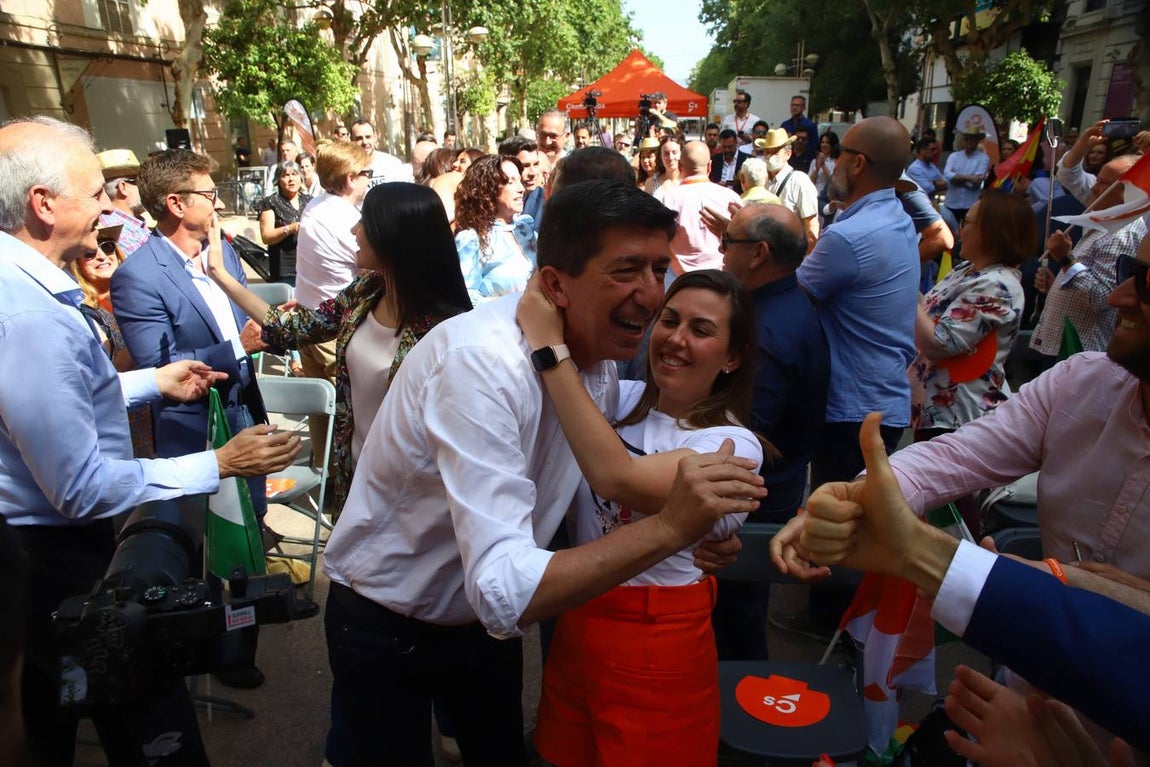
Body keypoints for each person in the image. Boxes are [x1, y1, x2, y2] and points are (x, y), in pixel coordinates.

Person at [319, 180, 766, 766]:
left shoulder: (594, 355)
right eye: (627, 269)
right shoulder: (481, 362)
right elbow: (505, 586)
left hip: (482, 628)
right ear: (555, 283)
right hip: (389, 618)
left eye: (660, 268)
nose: (651, 294)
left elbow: (580, 485)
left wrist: (710, 535)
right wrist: (671, 531)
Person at [0, 115, 300, 767]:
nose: (111, 207)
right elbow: (79, 488)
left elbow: (70, 394)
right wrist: (215, 462)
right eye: (96, 193)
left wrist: (146, 382)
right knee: (131, 732)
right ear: (44, 204)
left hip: (53, 552)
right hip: (55, 560)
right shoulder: (28, 319)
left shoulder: (29, 297)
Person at [774, 412, 1150, 754]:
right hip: (1017, 692)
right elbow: (955, 455)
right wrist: (858, 505)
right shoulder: (1086, 381)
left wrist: (1051, 582)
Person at [520, 269, 765, 766]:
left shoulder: (732, 445)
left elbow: (619, 478)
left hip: (657, 639)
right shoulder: (617, 398)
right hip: (580, 607)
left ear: (733, 357)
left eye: (700, 330)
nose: (675, 338)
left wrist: (548, 348)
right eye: (669, 320)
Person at [207, 183, 471, 513]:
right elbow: (293, 329)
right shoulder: (367, 290)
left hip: (412, 495)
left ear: (392, 235)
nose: (354, 230)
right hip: (356, 475)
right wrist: (220, 275)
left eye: (364, 222)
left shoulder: (445, 329)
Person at [112, 149, 273, 523]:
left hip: (246, 407)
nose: (218, 203)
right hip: (198, 429)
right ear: (176, 204)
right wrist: (239, 347)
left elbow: (245, 324)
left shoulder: (223, 253)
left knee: (253, 521)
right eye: (210, 194)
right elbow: (160, 367)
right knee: (209, 542)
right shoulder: (138, 276)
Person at [714, 203, 829, 660]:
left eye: (729, 242)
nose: (721, 251)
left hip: (756, 500)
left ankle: (738, 714)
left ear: (759, 253)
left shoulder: (768, 327)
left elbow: (745, 434)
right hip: (774, 489)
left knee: (734, 621)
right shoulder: (783, 304)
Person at [911, 189, 1033, 439]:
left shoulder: (997, 285)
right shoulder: (968, 270)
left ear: (992, 231)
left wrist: (904, 287)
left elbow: (940, 342)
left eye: (966, 222)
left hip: (959, 418)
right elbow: (930, 313)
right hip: (936, 409)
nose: (959, 230)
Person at [71, 225, 155, 456]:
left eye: (107, 247)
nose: (101, 256)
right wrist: (141, 334)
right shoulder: (86, 311)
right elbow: (108, 369)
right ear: (77, 263)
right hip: (122, 412)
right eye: (90, 253)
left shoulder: (139, 296)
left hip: (154, 406)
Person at [454, 154, 537, 303]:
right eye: (511, 182)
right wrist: (508, 306)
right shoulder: (472, 239)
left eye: (519, 180)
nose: (521, 189)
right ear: (488, 190)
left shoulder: (526, 228)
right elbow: (465, 296)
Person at [757, 129, 820, 249]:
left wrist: (805, 259)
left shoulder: (799, 181)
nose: (770, 156)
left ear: (788, 154)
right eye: (767, 152)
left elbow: (811, 225)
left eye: (775, 152)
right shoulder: (761, 180)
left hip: (791, 252)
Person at [257, 160, 312, 285]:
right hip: (285, 269)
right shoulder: (270, 203)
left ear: (301, 178)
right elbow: (266, 237)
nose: (291, 179)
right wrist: (290, 228)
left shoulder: (309, 200)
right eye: (286, 175)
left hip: (309, 264)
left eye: (294, 174)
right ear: (278, 180)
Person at [96, 148, 150, 255]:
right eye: (140, 182)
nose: (145, 187)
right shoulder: (116, 231)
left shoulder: (134, 223)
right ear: (123, 187)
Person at [943, 131, 990, 224]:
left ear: (977, 141)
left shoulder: (983, 158)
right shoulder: (954, 156)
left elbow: (976, 181)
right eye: (967, 139)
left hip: (971, 203)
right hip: (952, 202)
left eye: (973, 139)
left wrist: (956, 178)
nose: (969, 142)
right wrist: (969, 177)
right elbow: (947, 174)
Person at [350, 119, 405, 186]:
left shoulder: (393, 165)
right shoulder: (348, 168)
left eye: (368, 137)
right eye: (359, 138)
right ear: (352, 141)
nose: (365, 142)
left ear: (375, 137)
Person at [780, 95, 819, 170]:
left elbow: (814, 145)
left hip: (804, 162)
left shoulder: (810, 125)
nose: (794, 107)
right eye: (793, 105)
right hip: (787, 160)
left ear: (804, 108)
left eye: (797, 105)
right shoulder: (785, 125)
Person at [709, 128, 747, 192]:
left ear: (736, 143)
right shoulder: (714, 160)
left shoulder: (746, 160)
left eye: (730, 147)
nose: (727, 150)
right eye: (724, 147)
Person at [650, 135, 684, 201]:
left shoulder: (688, 181)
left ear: (681, 154)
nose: (670, 158)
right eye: (666, 153)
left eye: (674, 152)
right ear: (660, 156)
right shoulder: (651, 182)